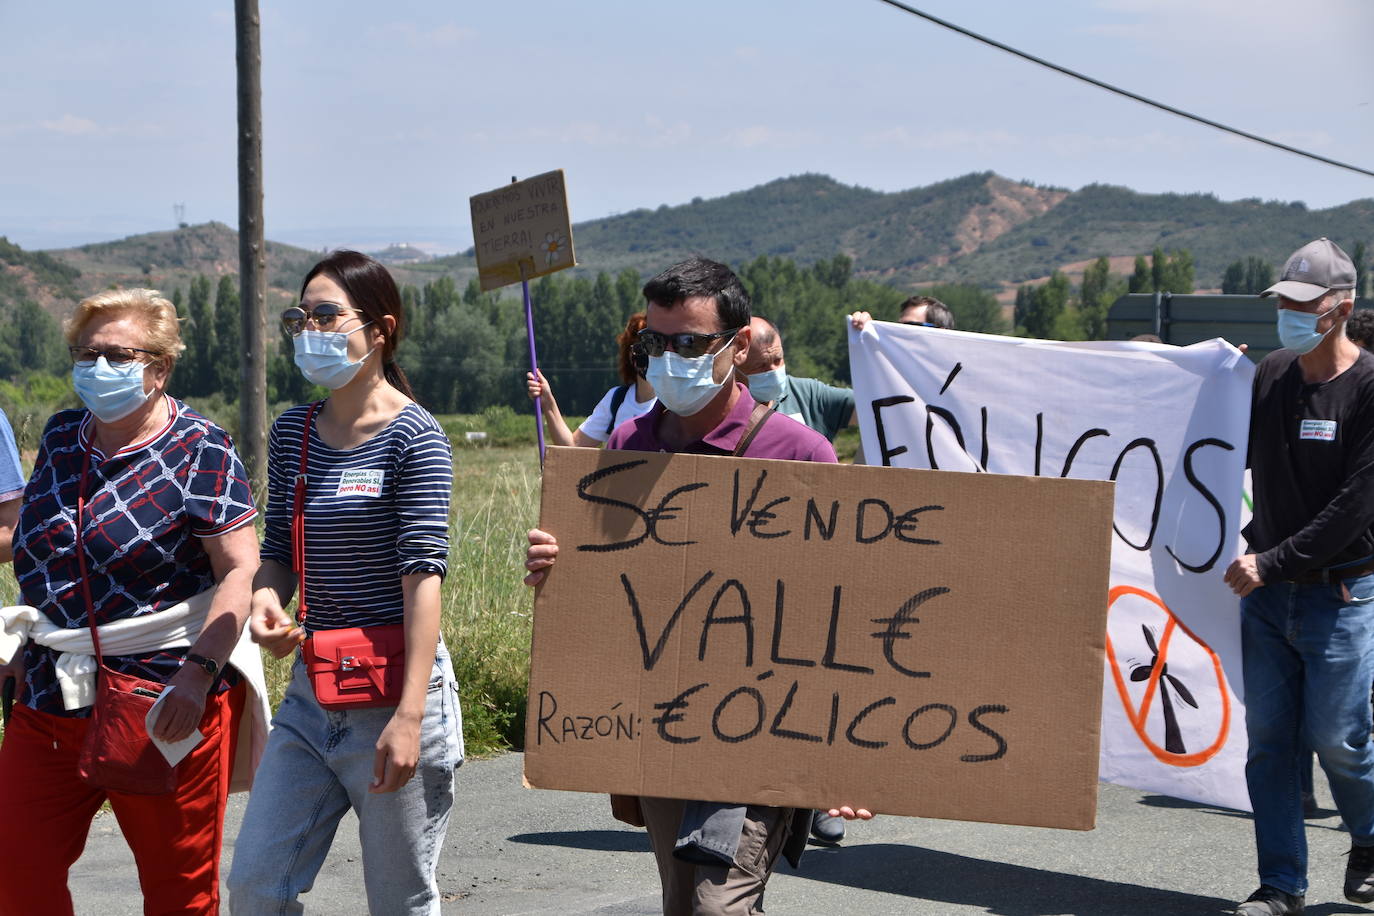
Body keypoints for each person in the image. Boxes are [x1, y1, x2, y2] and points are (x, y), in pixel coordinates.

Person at [524, 256, 871, 916]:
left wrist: (843, 756)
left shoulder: (801, 457)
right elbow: (604, 581)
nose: (667, 357)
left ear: (738, 347)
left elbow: (841, 616)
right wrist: (556, 567)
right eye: (655, 342)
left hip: (769, 727)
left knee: (719, 908)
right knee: (684, 906)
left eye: (689, 343)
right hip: (663, 726)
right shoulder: (626, 446)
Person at [0, 288, 264, 916]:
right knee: (15, 867)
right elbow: (46, 547)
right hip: (49, 693)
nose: (98, 368)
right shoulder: (65, 436)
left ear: (159, 367)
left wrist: (199, 677)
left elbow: (240, 569)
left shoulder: (203, 448)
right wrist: (28, 637)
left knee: (177, 891)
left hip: (163, 698)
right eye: (87, 353)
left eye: (118, 355)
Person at [227, 250, 462, 915]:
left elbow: (423, 579)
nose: (311, 330)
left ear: (380, 328)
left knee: (399, 902)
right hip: (313, 693)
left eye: (328, 315)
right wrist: (266, 601)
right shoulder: (294, 430)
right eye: (301, 317)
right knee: (255, 887)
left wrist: (411, 718)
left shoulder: (416, 439)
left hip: (396, 697)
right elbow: (278, 553)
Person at [1223, 238, 1374, 916]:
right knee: (1270, 746)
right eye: (1283, 300)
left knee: (1337, 740)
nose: (1286, 312)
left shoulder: (1369, 388)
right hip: (1267, 597)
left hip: (1341, 594)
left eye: (1301, 304)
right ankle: (1281, 885)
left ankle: (1369, 839)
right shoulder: (1271, 374)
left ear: (1339, 309)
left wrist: (1271, 561)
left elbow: (1356, 507)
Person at [527, 312, 655, 447]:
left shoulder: (673, 404)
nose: (646, 354)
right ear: (629, 354)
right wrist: (547, 401)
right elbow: (573, 448)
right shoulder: (616, 399)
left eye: (652, 347)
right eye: (639, 347)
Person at [738, 315, 854, 443]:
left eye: (778, 360)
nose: (773, 371)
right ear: (736, 365)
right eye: (761, 365)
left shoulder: (809, 395)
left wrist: (871, 338)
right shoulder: (724, 407)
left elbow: (871, 407)